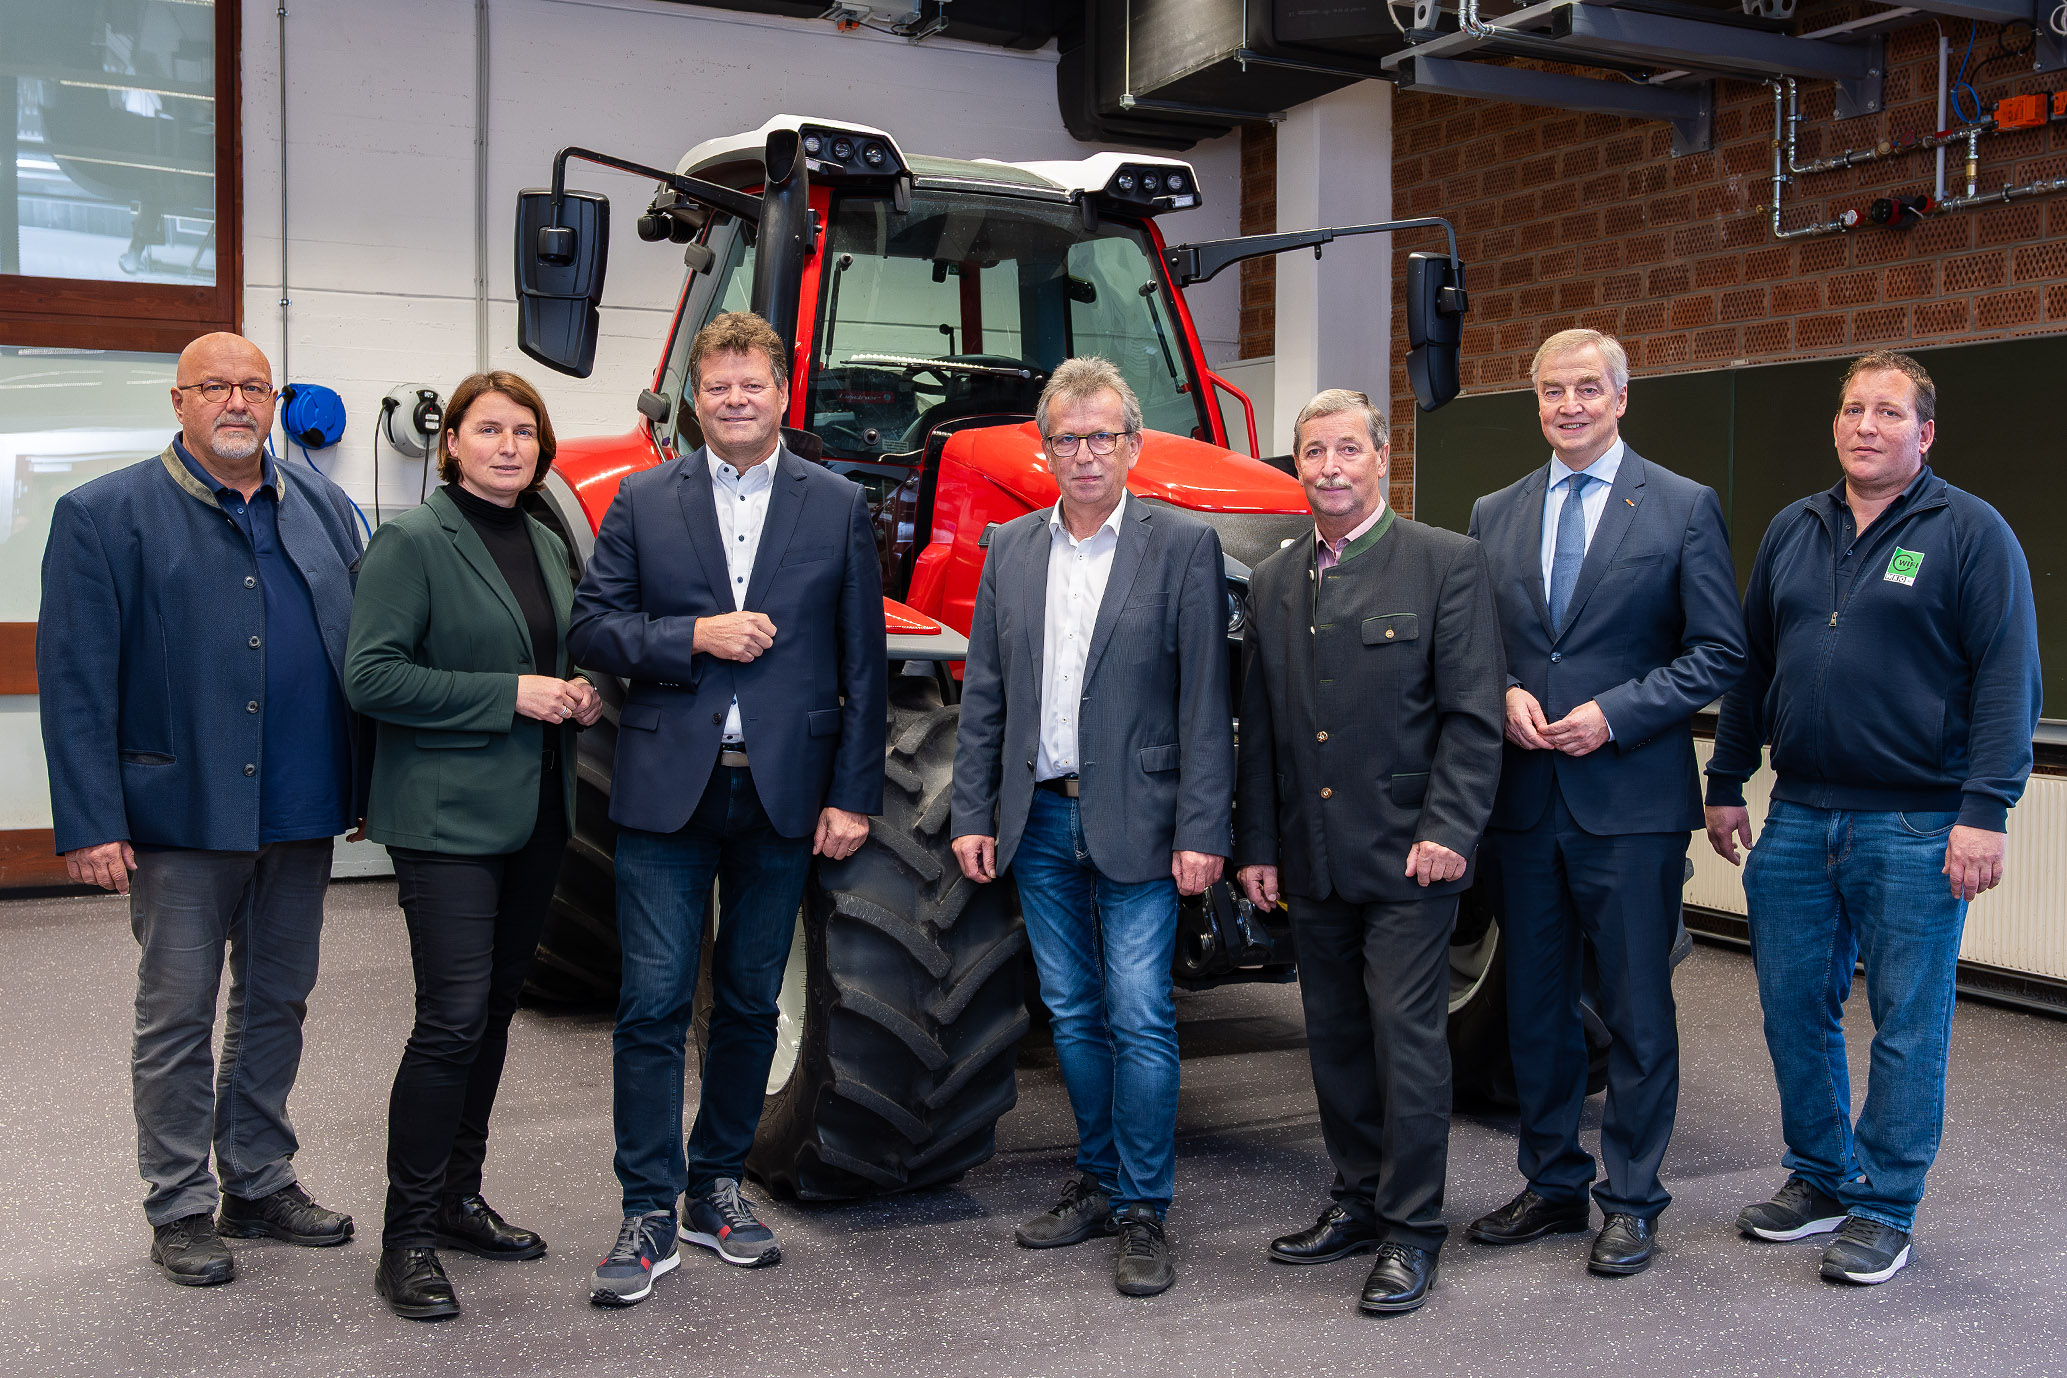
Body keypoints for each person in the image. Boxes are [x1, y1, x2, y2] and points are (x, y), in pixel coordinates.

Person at [568, 311, 887, 1308]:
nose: (736, 399)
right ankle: (646, 1207)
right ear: (695, 400)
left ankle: (715, 1187)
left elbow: (864, 662)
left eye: (753, 384)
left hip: (785, 791)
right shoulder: (642, 500)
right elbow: (593, 628)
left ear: (781, 394)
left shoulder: (835, 504)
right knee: (654, 1003)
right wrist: (692, 636)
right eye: (718, 387)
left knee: (750, 1001)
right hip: (669, 787)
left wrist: (853, 794)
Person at [37, 331, 366, 1287]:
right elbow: (76, 680)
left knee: (277, 1002)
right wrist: (92, 820)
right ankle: (179, 1203)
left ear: (274, 402)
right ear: (178, 402)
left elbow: (356, 647)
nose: (237, 402)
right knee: (176, 1015)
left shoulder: (323, 506)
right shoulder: (104, 514)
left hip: (302, 803)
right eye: (214, 386)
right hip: (181, 810)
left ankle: (257, 1182)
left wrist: (364, 780)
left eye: (254, 386)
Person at [1705, 351, 2039, 1286]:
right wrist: (1726, 777)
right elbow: (1752, 665)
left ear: (1923, 433)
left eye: (1887, 412)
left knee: (1906, 1022)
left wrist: (1985, 810)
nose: (1864, 426)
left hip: (1917, 825)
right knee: (1790, 1009)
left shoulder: (1970, 532)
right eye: (1852, 409)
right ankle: (1820, 1175)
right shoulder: (1794, 527)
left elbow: (2008, 677)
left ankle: (1885, 1205)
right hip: (1797, 817)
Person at [950, 357, 1234, 1299]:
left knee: (1139, 1013)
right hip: (1036, 819)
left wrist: (1203, 827)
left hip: (1143, 822)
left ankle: (1144, 1206)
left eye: (1100, 436)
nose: (1083, 454)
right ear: (1046, 449)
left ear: (1131, 445)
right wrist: (973, 811)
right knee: (1072, 1012)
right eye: (1066, 439)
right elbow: (985, 695)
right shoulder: (1011, 548)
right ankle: (1101, 1179)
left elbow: (1205, 700)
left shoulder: (1181, 545)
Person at [1463, 328, 1745, 1277]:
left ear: (1621, 398)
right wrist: (1501, 689)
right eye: (1552, 390)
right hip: (1523, 802)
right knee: (1534, 1010)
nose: (1569, 405)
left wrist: (1614, 715)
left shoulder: (1680, 506)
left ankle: (1631, 1198)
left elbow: (1718, 652)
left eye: (1587, 388)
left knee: (1633, 1009)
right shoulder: (1494, 512)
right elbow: (1475, 643)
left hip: (1629, 806)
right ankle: (1550, 1184)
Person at [1236, 388, 1503, 1315]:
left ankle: (1411, 1229)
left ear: (1381, 458)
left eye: (1348, 449)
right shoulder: (1275, 580)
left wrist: (1448, 829)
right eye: (1313, 452)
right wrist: (1257, 843)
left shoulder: (1444, 563)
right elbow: (1265, 729)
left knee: (1407, 1041)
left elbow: (1472, 717)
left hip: (1407, 856)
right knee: (1337, 1037)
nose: (1330, 468)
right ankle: (1355, 1199)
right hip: (1310, 856)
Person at [345, 371, 602, 1319]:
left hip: (536, 812)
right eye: (488, 429)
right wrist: (512, 696)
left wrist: (575, 689)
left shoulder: (545, 539)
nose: (508, 446)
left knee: (491, 1015)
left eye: (524, 432)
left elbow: (553, 653)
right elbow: (372, 677)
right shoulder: (413, 540)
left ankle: (458, 1200)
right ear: (450, 442)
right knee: (450, 1021)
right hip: (445, 820)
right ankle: (406, 1238)